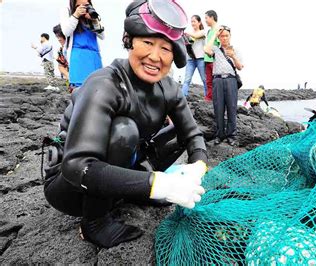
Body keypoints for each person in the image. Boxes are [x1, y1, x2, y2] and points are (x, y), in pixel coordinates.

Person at [44, 0, 207, 248]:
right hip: (69, 186)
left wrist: (198, 166)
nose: (155, 56)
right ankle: (94, 223)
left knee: (177, 132)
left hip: (121, 167)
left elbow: (193, 135)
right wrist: (156, 184)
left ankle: (139, 191)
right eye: (147, 43)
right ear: (129, 40)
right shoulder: (105, 84)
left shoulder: (170, 89)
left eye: (165, 48)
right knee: (124, 130)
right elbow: (77, 166)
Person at [204, 25, 243, 146]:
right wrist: (214, 35)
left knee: (231, 108)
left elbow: (240, 67)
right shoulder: (215, 49)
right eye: (222, 36)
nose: (224, 38)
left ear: (230, 36)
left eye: (226, 35)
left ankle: (231, 135)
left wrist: (233, 56)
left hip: (231, 80)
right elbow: (206, 50)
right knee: (218, 108)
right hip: (217, 80)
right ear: (219, 37)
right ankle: (219, 135)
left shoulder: (235, 49)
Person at [60, 0, 104, 90]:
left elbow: (102, 36)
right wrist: (76, 15)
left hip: (94, 56)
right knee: (80, 90)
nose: (83, 8)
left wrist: (94, 20)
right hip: (79, 56)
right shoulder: (67, 11)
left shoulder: (91, 15)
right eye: (79, 6)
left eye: (86, 5)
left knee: (97, 88)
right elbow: (66, 32)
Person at [181, 15, 207, 97]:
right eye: (191, 21)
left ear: (199, 22)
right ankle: (182, 97)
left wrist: (185, 33)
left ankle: (208, 97)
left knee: (204, 79)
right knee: (187, 80)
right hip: (190, 59)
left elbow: (196, 36)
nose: (192, 23)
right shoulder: (189, 33)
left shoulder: (203, 32)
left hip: (201, 59)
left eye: (194, 21)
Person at [203, 10, 219, 101]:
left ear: (212, 17)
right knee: (208, 81)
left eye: (206, 18)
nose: (205, 20)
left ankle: (217, 99)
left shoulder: (219, 29)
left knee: (216, 82)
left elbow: (221, 46)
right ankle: (209, 99)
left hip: (215, 60)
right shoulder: (209, 31)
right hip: (207, 60)